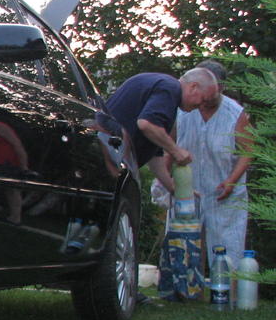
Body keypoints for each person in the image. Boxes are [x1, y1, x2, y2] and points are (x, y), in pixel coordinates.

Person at [176, 59, 252, 278]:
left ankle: (229, 292)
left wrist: (232, 180)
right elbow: (167, 145)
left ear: (220, 87)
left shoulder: (235, 113)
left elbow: (249, 151)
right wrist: (165, 182)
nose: (203, 100)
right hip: (188, 190)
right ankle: (190, 291)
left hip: (224, 193)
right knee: (186, 249)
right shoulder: (183, 108)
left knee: (228, 252)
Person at [105, 68, 218, 191]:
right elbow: (146, 124)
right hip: (107, 159)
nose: (202, 107)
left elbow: (154, 154)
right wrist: (176, 151)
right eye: (204, 100)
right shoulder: (170, 89)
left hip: (109, 161)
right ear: (193, 87)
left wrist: (172, 188)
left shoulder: (167, 93)